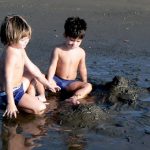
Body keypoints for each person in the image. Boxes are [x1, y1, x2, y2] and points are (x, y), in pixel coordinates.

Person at [0, 15, 60, 118]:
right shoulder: (10, 53)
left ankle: (39, 97)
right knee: (41, 108)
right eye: (23, 40)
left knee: (37, 74)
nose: (26, 42)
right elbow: (8, 80)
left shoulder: (20, 49)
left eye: (27, 38)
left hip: (18, 87)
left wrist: (48, 84)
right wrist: (11, 103)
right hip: (8, 93)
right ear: (11, 38)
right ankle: (16, 106)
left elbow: (32, 68)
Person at [47, 16, 92, 105]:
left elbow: (82, 68)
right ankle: (40, 96)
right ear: (65, 35)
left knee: (88, 86)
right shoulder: (58, 50)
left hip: (70, 83)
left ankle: (74, 97)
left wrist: (84, 81)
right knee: (39, 78)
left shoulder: (81, 52)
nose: (74, 44)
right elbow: (52, 66)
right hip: (56, 79)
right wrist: (49, 80)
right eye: (71, 40)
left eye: (78, 41)